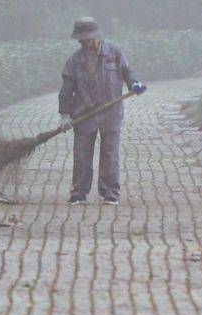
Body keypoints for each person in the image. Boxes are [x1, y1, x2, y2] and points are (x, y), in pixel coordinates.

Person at [58, 16, 146, 204]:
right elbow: (66, 89)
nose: (86, 43)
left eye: (88, 38)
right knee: (82, 155)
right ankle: (79, 192)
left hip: (110, 112)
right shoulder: (74, 61)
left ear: (97, 36)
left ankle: (110, 193)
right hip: (84, 113)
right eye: (82, 40)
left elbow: (128, 72)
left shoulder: (115, 53)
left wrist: (134, 84)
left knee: (110, 154)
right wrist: (64, 114)